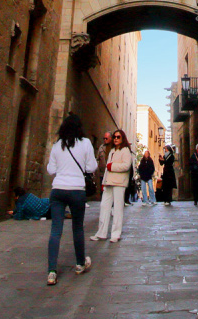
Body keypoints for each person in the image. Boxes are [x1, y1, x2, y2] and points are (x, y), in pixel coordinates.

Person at [44, 113, 96, 285]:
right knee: (78, 228)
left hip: (58, 190)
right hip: (76, 190)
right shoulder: (86, 143)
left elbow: (51, 170)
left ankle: (52, 271)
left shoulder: (57, 145)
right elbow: (92, 167)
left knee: (55, 230)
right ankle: (80, 263)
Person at [92, 129, 132, 242]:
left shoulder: (125, 151)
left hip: (119, 183)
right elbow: (106, 170)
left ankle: (116, 234)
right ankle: (101, 233)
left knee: (118, 208)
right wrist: (104, 182)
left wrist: (112, 166)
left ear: (122, 138)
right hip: (109, 182)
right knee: (104, 207)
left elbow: (126, 166)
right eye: (114, 136)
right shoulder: (112, 150)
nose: (115, 138)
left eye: (118, 137)